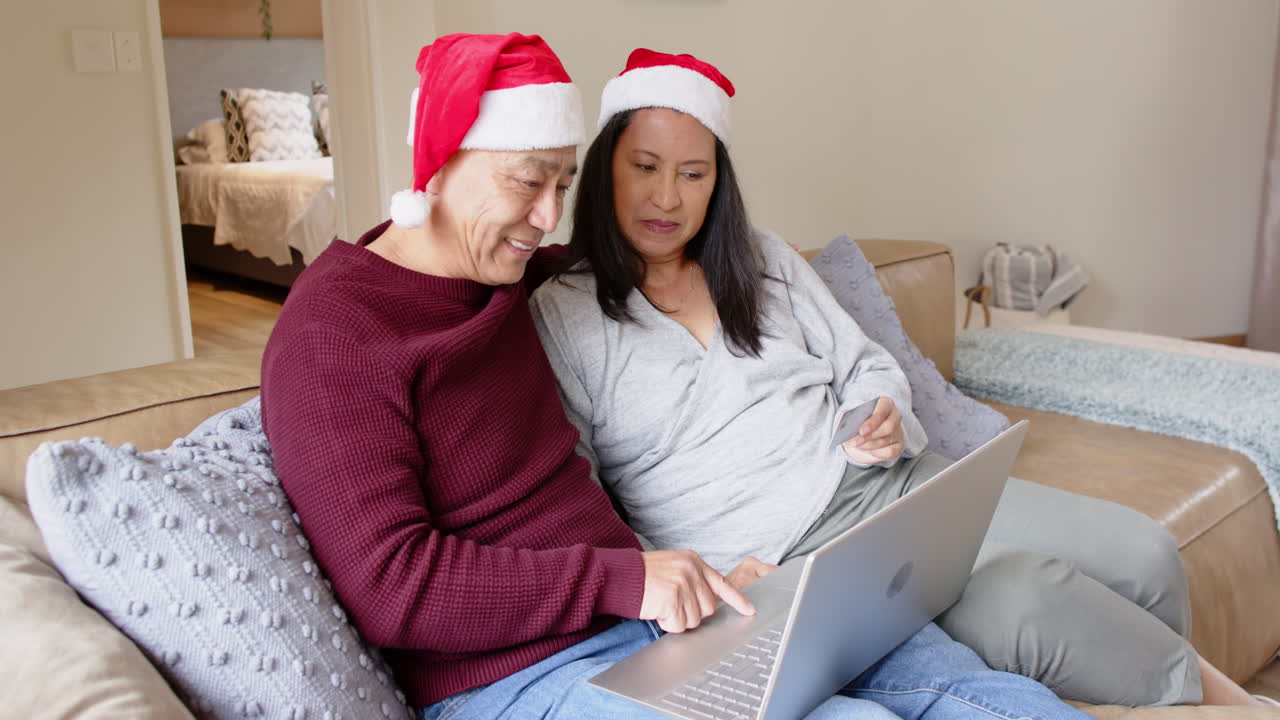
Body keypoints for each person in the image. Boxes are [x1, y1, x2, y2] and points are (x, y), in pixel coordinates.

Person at [262, 33, 1093, 720]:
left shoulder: (510, 273)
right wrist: (633, 579)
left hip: (654, 621)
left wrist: (691, 581)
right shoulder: (337, 332)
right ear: (439, 162)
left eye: (562, 183)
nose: (548, 218)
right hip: (513, 678)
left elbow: (651, 256)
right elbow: (393, 588)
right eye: (526, 182)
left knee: (966, 689)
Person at [529, 48, 1271, 709]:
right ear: (606, 168)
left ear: (717, 182)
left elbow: (865, 365)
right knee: (1023, 606)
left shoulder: (762, 259)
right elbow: (578, 495)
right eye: (645, 167)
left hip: (896, 490)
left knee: (1143, 553)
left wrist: (878, 409)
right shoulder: (562, 315)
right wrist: (693, 582)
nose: (667, 198)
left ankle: (1195, 701)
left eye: (693, 174)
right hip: (787, 567)